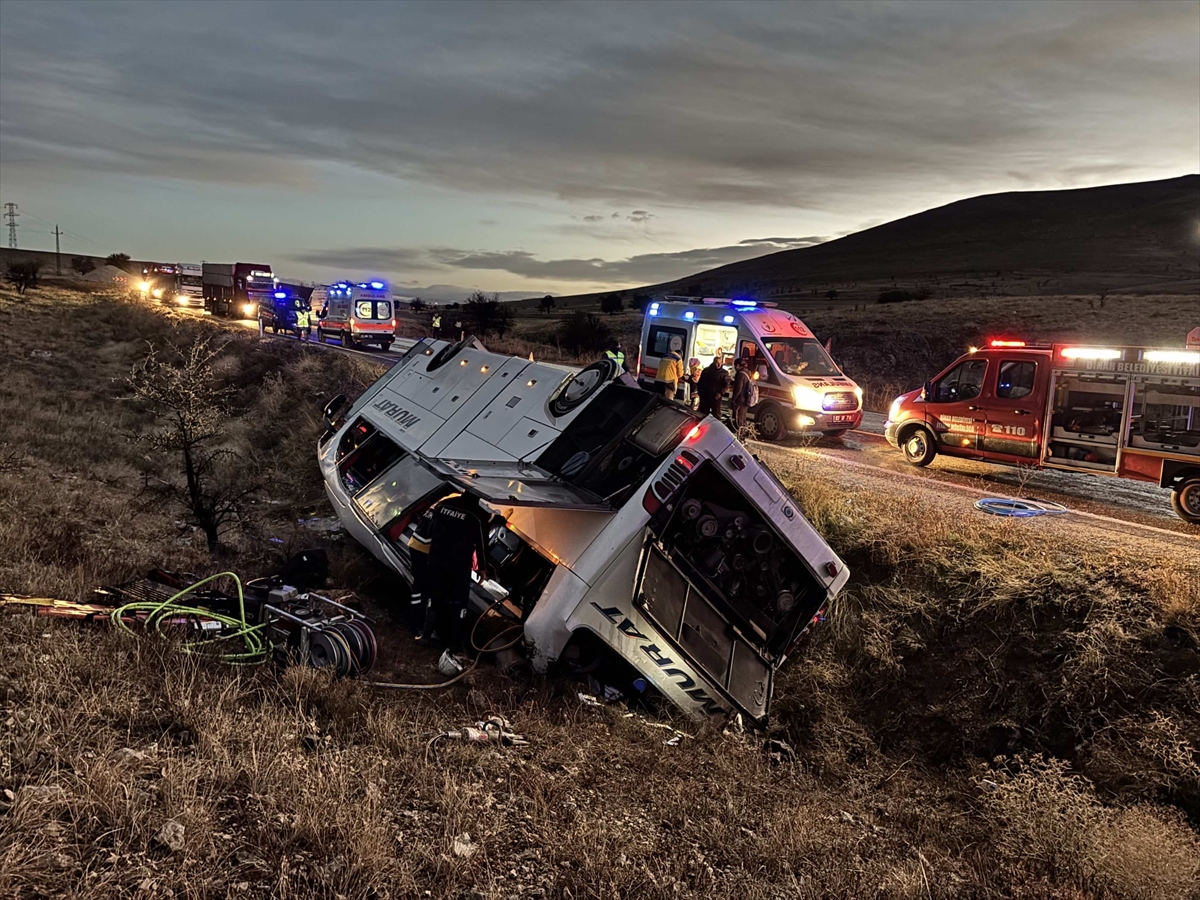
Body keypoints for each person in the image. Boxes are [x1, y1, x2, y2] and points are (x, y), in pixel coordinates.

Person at [421, 492, 490, 651]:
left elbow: (430, 529)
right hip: (458, 566)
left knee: (435, 597)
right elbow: (481, 546)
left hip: (436, 560)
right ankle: (452, 642)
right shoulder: (478, 516)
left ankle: (426, 635)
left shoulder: (444, 504)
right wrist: (482, 569)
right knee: (458, 603)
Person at [654, 335, 685, 400]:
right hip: (669, 382)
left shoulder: (664, 357)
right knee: (668, 402)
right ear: (680, 354)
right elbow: (680, 374)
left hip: (658, 381)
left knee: (658, 400)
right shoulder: (678, 359)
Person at [731, 356, 753, 434]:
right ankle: (743, 435)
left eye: (735, 366)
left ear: (737, 365)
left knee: (738, 419)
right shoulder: (747, 372)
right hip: (746, 399)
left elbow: (738, 388)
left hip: (740, 400)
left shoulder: (740, 374)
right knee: (743, 418)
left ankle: (740, 436)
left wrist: (733, 399)